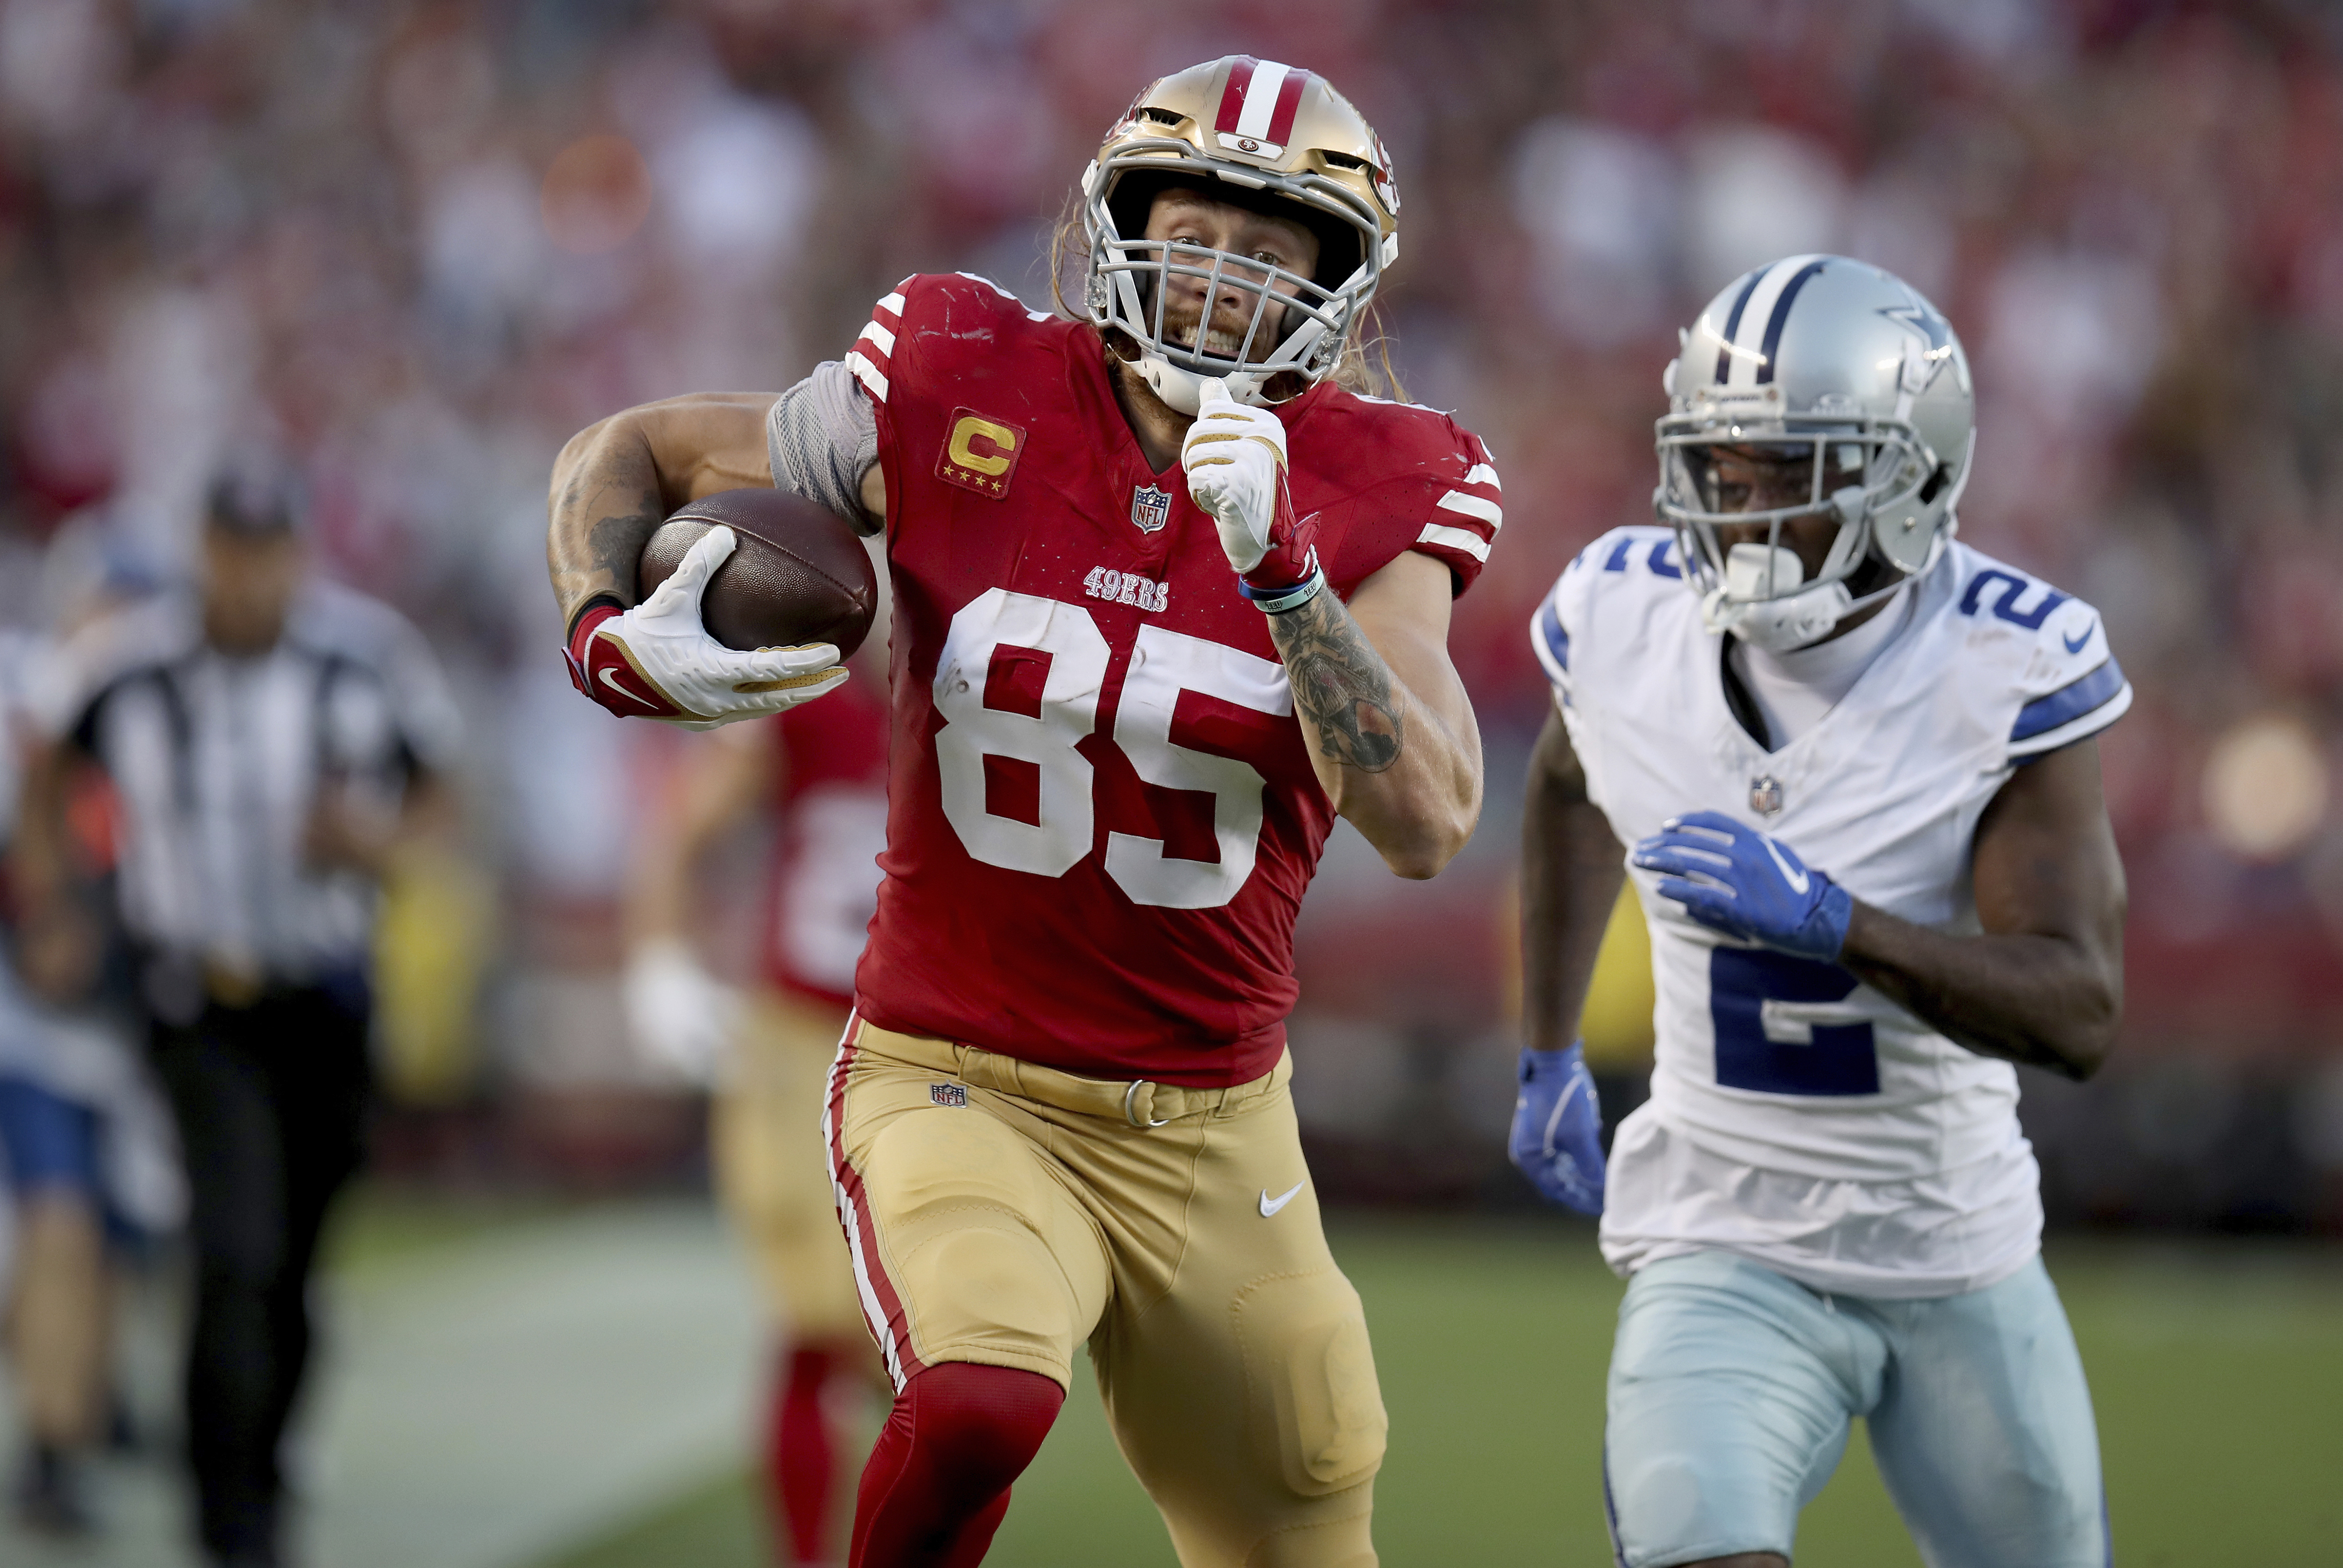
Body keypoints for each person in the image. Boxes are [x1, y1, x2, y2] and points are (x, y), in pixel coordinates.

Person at [550, 55, 1500, 1568]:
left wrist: (1285, 574)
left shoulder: (1386, 478)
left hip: (1212, 1116)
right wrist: (605, 619)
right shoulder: (955, 375)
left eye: (1272, 256)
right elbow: (643, 446)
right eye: (1196, 234)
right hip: (956, 1068)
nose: (1222, 286)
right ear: (1121, 223)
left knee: (1304, 1520)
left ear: (1340, 286)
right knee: (984, 1393)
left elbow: (1428, 814)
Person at [1512, 255, 2128, 1568]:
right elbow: (1568, 787)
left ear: (1912, 478)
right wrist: (1548, 1046)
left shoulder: (2007, 661)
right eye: (1722, 471)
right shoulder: (1622, 619)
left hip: (1954, 1244)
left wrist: (1843, 924)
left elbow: (2080, 1007)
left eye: (1792, 474)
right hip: (1719, 1236)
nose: (1740, 513)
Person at [16, 467, 462, 1568]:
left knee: (296, 1265)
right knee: (238, 1248)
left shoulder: (365, 654)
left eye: (269, 551)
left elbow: (440, 791)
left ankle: (260, 1464)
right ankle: (234, 1526)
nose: (251, 575)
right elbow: (41, 767)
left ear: (298, 554)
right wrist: (57, 902)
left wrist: (377, 845)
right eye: (232, 549)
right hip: (196, 999)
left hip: (325, 995)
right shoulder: (131, 662)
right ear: (201, 550)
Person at [624, 635, 892, 1567]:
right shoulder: (810, 701)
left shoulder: (980, 709)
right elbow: (683, 826)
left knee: (935, 1343)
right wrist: (658, 956)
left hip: (925, 1054)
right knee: (812, 1320)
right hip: (798, 1043)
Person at [0, 631, 185, 1535]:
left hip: (97, 1033)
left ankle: (70, 1427)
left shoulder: (136, 699)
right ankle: (57, 1438)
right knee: (61, 1229)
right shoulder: (43, 699)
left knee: (107, 1234)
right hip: (32, 1032)